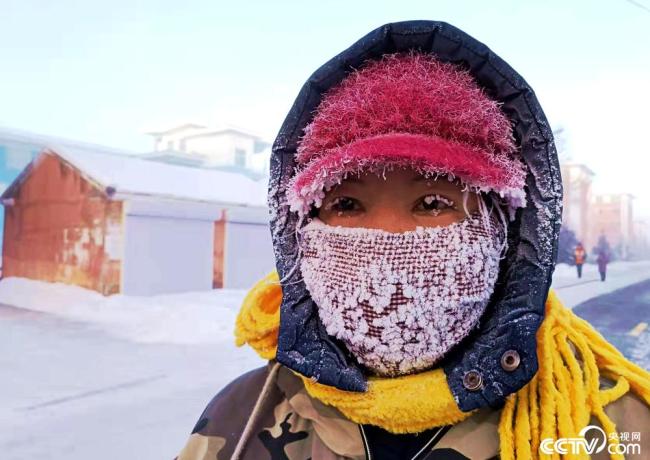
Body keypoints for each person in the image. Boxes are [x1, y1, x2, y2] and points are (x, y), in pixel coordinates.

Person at [175, 21, 650, 460]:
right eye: (345, 205)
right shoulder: (240, 422)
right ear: (299, 233)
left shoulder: (608, 425)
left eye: (431, 202)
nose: (387, 239)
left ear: (505, 228)